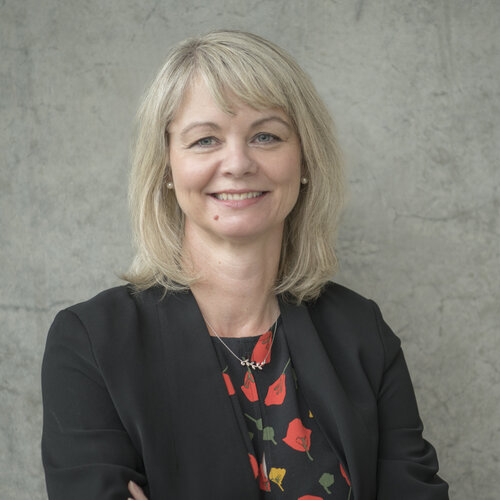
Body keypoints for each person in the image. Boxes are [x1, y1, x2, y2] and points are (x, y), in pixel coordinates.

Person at [41, 30, 449, 500]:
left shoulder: (363, 334)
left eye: (265, 136)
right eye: (205, 140)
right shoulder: (90, 343)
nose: (237, 163)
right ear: (167, 167)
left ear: (304, 161)